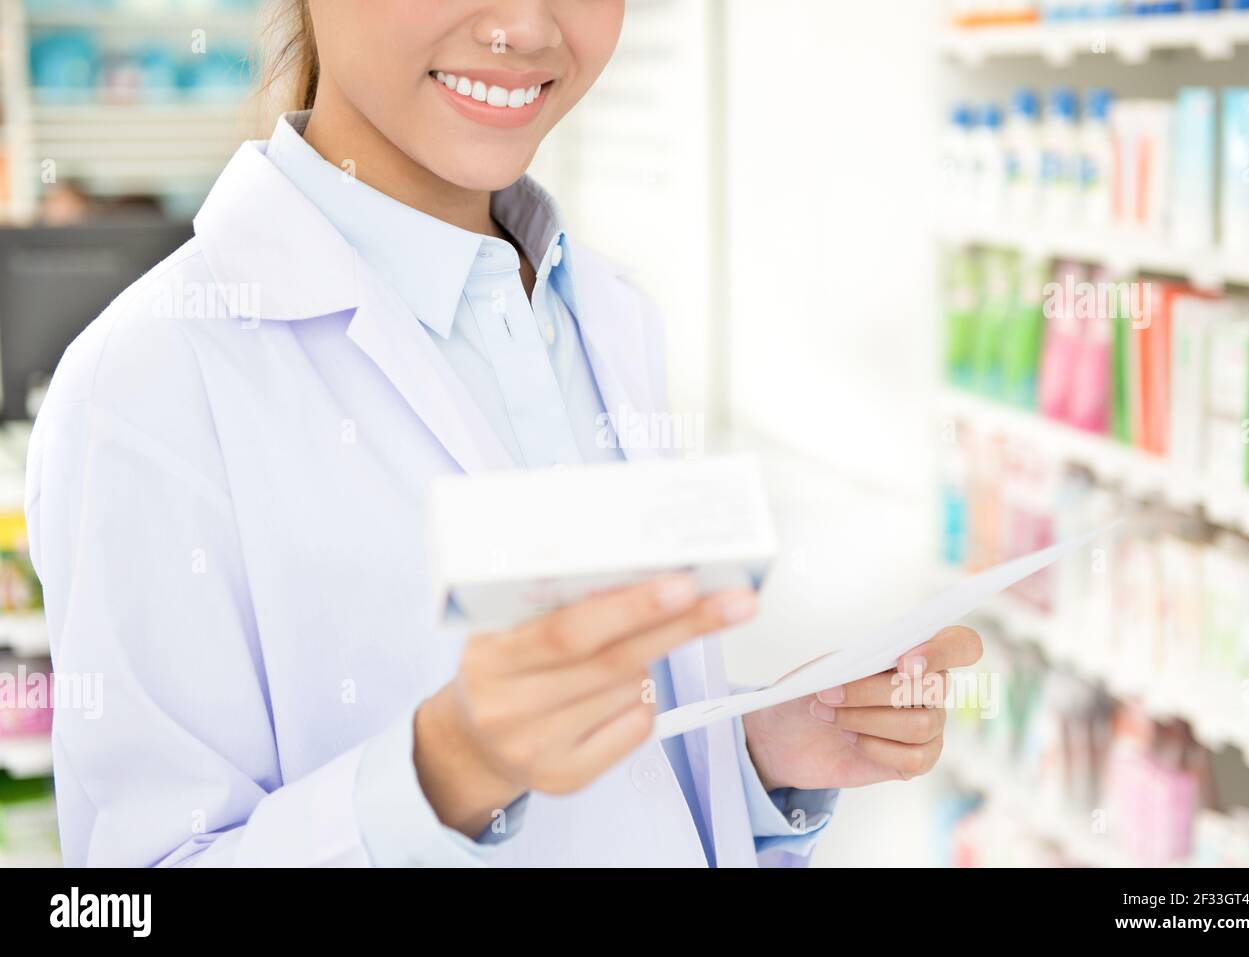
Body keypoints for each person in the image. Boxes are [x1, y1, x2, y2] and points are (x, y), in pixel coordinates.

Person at [26, 0, 982, 867]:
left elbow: (614, 803)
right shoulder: (147, 384)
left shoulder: (606, 313)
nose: (527, 26)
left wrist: (759, 760)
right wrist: (443, 773)